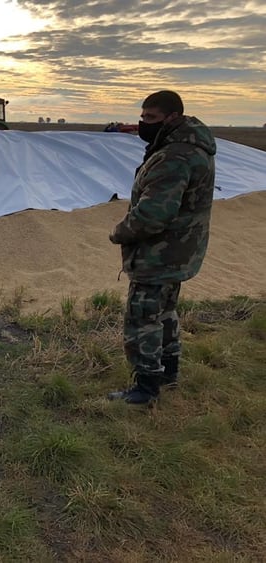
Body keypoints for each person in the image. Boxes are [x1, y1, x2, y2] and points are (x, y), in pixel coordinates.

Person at [107, 90, 216, 405]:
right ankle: (168, 374)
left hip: (160, 253)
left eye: (151, 118)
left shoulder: (174, 157)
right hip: (179, 251)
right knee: (165, 313)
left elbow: (153, 215)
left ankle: (145, 389)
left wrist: (121, 232)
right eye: (142, 117)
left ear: (173, 117)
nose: (144, 124)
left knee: (142, 318)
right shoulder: (189, 147)